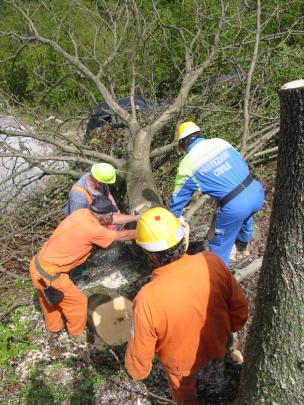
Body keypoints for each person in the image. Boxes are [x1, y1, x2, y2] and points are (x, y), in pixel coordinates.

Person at [125, 207, 248, 404]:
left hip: (184, 372)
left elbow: (139, 356)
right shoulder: (211, 262)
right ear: (182, 239)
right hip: (220, 348)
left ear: (150, 255)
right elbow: (239, 308)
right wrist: (232, 328)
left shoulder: (147, 298)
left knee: (189, 400)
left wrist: (137, 370)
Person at [30, 195, 139, 339]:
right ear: (101, 216)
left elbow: (111, 219)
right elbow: (122, 236)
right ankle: (76, 335)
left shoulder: (82, 213)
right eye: (110, 215)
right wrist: (146, 231)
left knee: (50, 301)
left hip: (37, 266)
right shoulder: (92, 230)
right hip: (51, 275)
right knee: (78, 301)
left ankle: (54, 328)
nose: (112, 217)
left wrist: (136, 218)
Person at [168, 121, 265, 265]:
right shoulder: (220, 142)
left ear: (182, 143)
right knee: (246, 213)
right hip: (256, 190)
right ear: (199, 134)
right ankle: (243, 243)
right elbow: (241, 164)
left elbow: (178, 200)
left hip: (235, 206)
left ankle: (219, 274)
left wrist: (173, 218)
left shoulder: (187, 165)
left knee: (218, 245)